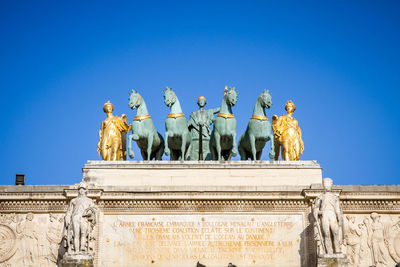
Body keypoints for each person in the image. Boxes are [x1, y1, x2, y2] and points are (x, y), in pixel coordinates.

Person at [313, 178, 344, 255]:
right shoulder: (320, 197)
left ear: (331, 185)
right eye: (326, 184)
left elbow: (337, 209)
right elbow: (316, 209)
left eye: (328, 184)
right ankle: (329, 251)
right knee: (326, 233)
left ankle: (337, 249)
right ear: (323, 186)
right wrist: (319, 212)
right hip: (325, 215)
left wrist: (339, 218)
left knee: (335, 232)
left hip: (332, 214)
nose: (327, 185)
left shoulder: (335, 197)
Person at [63, 182, 96, 254]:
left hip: (84, 218)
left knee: (84, 233)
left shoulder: (89, 200)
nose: (81, 190)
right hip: (75, 217)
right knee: (76, 234)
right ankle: (76, 250)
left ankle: (82, 249)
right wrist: (67, 217)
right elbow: (69, 211)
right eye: (80, 189)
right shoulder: (73, 200)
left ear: (85, 190)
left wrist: (90, 212)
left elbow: (93, 209)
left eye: (83, 189)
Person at [188, 96, 219, 160]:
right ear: (198, 103)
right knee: (194, 156)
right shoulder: (193, 114)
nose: (201, 102)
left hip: (206, 136)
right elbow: (189, 123)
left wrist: (226, 97)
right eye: (200, 101)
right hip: (195, 137)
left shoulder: (209, 112)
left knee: (207, 155)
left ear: (205, 103)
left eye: (203, 101)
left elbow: (220, 109)